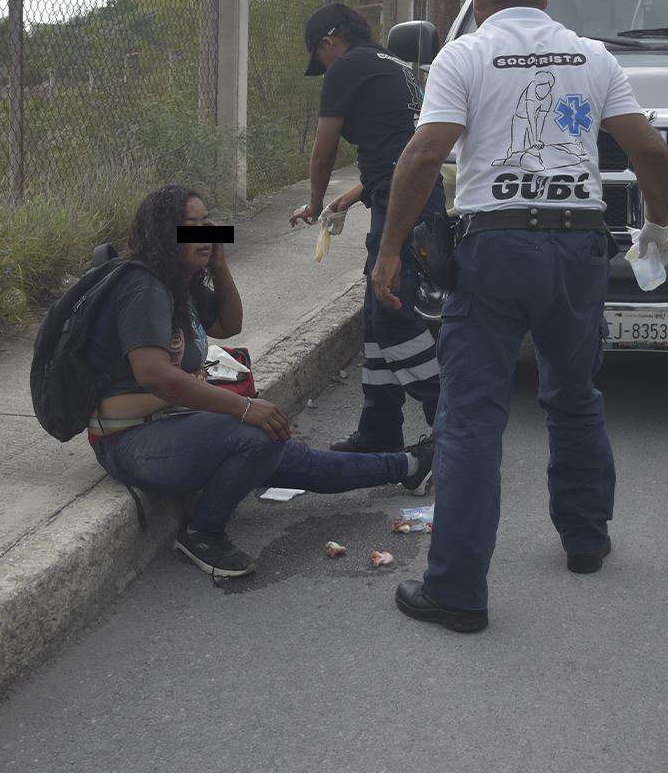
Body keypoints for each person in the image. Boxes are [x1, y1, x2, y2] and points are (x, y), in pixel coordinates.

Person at [367, 0, 668, 633]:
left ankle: (456, 590)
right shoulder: (592, 56)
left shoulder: (467, 55)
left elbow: (424, 154)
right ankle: (586, 537)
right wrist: (658, 225)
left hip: (497, 246)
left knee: (472, 417)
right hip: (577, 245)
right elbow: (649, 149)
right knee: (574, 393)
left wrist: (389, 250)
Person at [87, 185, 435, 579]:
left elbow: (228, 325)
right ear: (165, 234)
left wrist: (218, 266)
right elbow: (155, 375)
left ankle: (407, 466)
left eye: (207, 223)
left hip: (176, 424)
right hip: (131, 441)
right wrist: (246, 408)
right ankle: (202, 533)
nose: (205, 233)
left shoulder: (178, 283)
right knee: (258, 438)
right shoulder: (143, 288)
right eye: (191, 226)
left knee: (293, 457)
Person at [290, 3, 448, 454]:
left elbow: (322, 153)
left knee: (392, 315)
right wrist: (354, 194)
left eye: (319, 58)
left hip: (402, 207)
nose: (322, 69)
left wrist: (316, 201)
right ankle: (380, 426)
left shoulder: (346, 68)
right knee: (376, 322)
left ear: (329, 43)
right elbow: (400, 145)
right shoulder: (398, 67)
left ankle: (450, 423)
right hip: (412, 196)